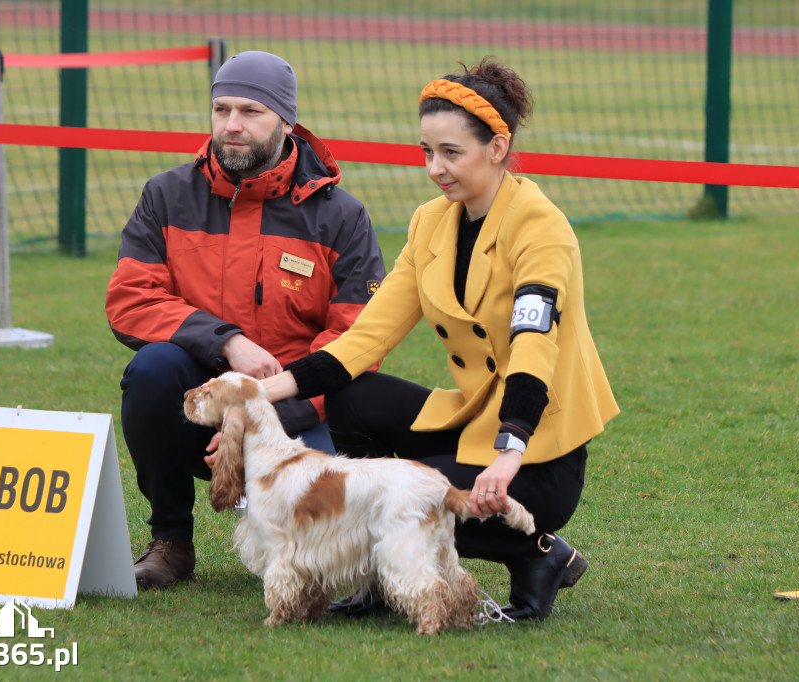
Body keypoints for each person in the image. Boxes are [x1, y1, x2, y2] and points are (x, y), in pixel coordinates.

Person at [259, 57, 619, 622]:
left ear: (497, 148)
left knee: (408, 498)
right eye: (427, 151)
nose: (435, 168)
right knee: (355, 396)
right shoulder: (430, 222)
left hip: (539, 444)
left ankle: (539, 553)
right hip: (476, 415)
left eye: (452, 153)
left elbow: (534, 344)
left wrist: (509, 452)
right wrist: (267, 391)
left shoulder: (542, 227)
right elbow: (366, 336)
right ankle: (379, 577)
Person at [106, 51, 387, 589]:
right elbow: (130, 297)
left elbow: (359, 334)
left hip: (298, 413)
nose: (232, 125)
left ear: (286, 121)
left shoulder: (341, 216)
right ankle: (170, 542)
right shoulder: (166, 195)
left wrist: (268, 411)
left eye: (251, 111)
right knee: (153, 369)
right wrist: (227, 342)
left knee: (333, 559)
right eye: (221, 109)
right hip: (203, 405)